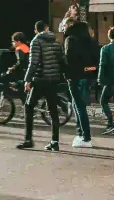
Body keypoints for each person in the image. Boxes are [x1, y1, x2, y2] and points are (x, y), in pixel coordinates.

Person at [16, 20, 69, 151]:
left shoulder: (36, 41)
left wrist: (27, 80)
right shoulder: (56, 41)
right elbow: (62, 59)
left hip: (40, 79)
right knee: (53, 110)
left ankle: (28, 140)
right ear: (47, 28)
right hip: (53, 79)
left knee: (29, 106)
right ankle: (54, 141)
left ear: (36, 30)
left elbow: (33, 63)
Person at [60, 11, 98, 146]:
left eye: (64, 25)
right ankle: (81, 134)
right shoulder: (90, 40)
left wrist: (66, 73)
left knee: (79, 107)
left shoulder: (70, 39)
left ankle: (85, 137)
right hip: (88, 76)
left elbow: (68, 59)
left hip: (75, 77)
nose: (63, 28)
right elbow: (95, 59)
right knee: (79, 106)